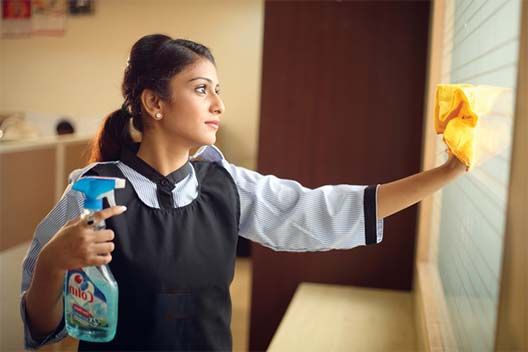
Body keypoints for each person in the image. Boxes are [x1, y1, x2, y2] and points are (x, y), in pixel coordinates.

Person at [20, 34, 466, 351]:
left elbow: (320, 212)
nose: (218, 105)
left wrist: (444, 172)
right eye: (201, 90)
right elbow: (42, 328)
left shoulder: (225, 184)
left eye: (218, 91)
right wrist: (54, 261)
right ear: (154, 103)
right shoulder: (94, 193)